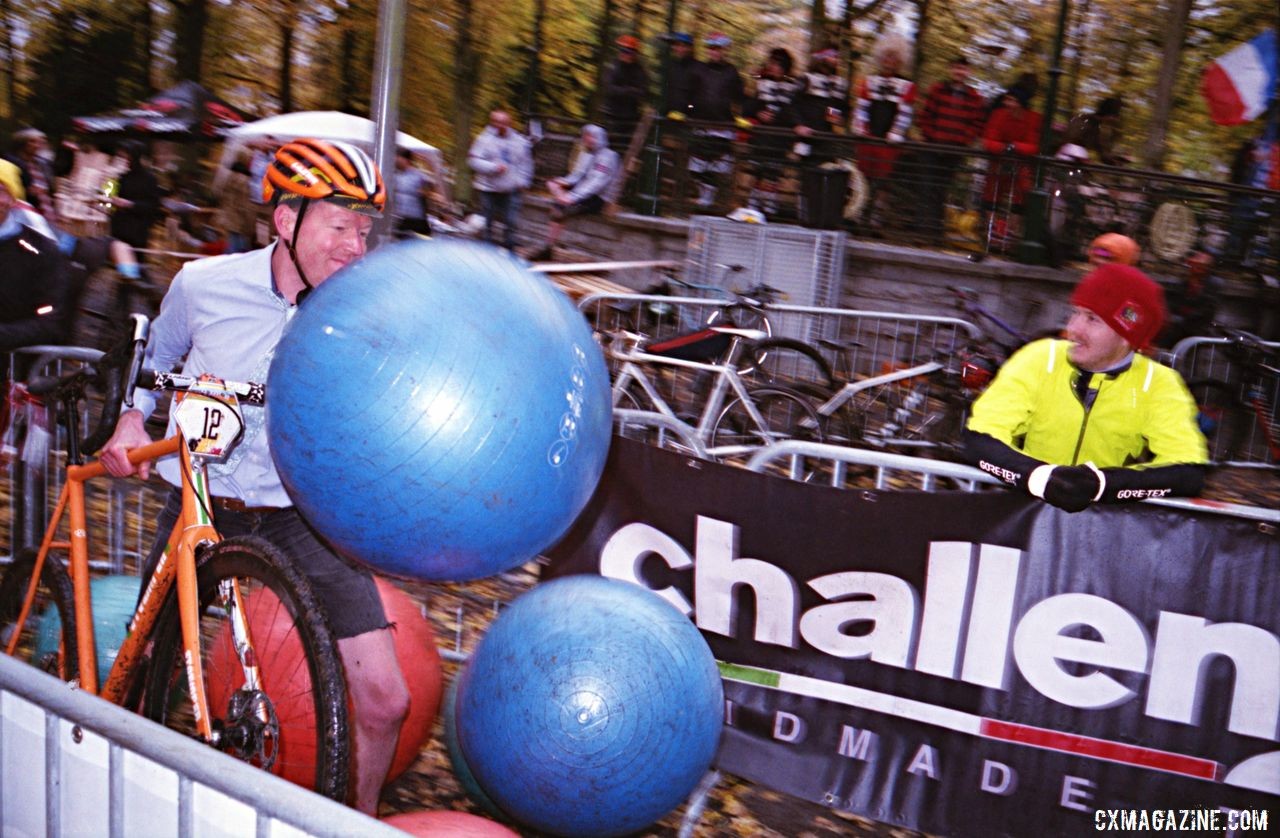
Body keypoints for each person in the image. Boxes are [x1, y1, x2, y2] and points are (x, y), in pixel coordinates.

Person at [98, 138, 410, 815]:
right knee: (140, 669)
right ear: (286, 221)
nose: (356, 245)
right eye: (339, 225)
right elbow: (153, 361)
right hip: (203, 500)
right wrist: (131, 421)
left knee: (387, 699)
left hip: (302, 515)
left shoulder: (362, 313)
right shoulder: (205, 285)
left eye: (365, 229)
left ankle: (353, 827)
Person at [962, 264, 1207, 512]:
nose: (1073, 329)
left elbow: (1188, 471)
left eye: (1092, 319)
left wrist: (1102, 484)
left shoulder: (1158, 383)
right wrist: (1040, 477)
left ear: (1126, 336)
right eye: (1075, 313)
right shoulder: (1039, 358)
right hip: (1027, 516)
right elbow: (979, 438)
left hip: (1102, 527)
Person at [913, 55, 987, 240]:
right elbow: (925, 116)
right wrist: (932, 136)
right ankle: (922, 229)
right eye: (956, 68)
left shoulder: (974, 98)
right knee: (927, 187)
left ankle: (936, 231)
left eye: (963, 69)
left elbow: (977, 124)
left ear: (968, 72)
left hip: (955, 150)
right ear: (951, 70)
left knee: (942, 189)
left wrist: (963, 140)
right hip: (933, 147)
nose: (959, 72)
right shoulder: (938, 90)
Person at [0, 160, 69, 352]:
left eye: (0, 190)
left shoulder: (40, 251)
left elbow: (49, 321)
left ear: (13, 200)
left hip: (13, 364)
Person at [528, 124, 619, 262]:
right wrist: (563, 182)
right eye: (585, 136)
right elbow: (577, 175)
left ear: (598, 138)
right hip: (582, 192)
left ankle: (548, 247)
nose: (585, 139)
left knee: (558, 210)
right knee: (554, 189)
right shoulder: (586, 154)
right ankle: (549, 245)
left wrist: (573, 197)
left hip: (598, 197)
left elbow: (597, 183)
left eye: (589, 137)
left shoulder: (608, 156)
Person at [980, 84, 1042, 250]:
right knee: (992, 195)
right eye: (1007, 100)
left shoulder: (1033, 118)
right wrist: (1006, 148)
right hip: (1000, 162)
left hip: (1020, 165)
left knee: (1020, 196)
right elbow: (989, 140)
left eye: (1012, 101)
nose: (1007, 104)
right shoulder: (998, 115)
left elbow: (1034, 145)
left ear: (1020, 103)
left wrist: (1013, 147)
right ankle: (991, 236)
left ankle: (1010, 238)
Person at [689, 32, 746, 208]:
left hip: (723, 125)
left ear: (724, 50)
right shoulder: (699, 69)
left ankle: (708, 199)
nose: (714, 52)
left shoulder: (731, 72)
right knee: (696, 166)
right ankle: (705, 194)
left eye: (718, 49)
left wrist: (740, 117)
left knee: (715, 164)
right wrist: (688, 111)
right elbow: (691, 93)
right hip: (701, 123)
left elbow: (740, 97)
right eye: (711, 48)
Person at [744, 47, 802, 217]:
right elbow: (747, 105)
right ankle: (753, 206)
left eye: (778, 65)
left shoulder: (793, 87)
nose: (773, 67)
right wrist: (758, 112)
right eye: (772, 63)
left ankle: (769, 207)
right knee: (756, 171)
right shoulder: (760, 83)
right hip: (760, 137)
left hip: (779, 139)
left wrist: (788, 121)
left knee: (773, 174)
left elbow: (793, 111)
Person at [467, 110, 533, 250]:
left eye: (502, 122)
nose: (499, 125)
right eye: (496, 121)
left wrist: (524, 181)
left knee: (511, 221)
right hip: (488, 187)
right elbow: (473, 161)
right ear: (491, 122)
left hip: (511, 188)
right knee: (487, 220)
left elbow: (526, 163)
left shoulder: (520, 142)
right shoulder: (483, 139)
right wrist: (493, 167)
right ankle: (486, 249)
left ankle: (509, 249)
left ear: (509, 123)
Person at [108, 141, 164, 256]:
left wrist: (130, 204)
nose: (123, 160)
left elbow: (153, 206)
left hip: (136, 232)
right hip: (118, 229)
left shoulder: (149, 179)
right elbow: (109, 194)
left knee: (131, 266)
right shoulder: (121, 176)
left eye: (126, 156)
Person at [602, 34, 650, 146]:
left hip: (630, 118)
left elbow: (642, 92)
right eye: (622, 50)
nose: (624, 54)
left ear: (635, 53)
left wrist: (622, 91)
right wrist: (629, 90)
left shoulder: (639, 71)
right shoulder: (613, 66)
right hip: (612, 115)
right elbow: (609, 89)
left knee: (626, 147)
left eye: (628, 51)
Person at [7, 128, 59, 227]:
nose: (37, 145)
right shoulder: (12, 162)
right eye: (32, 142)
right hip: (26, 213)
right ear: (22, 143)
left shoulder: (43, 164)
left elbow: (51, 188)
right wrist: (28, 191)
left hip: (48, 212)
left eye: (40, 142)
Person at [391, 148, 434, 238]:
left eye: (398, 158)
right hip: (400, 217)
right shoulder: (395, 174)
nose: (395, 160)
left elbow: (429, 188)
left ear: (406, 160)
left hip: (415, 219)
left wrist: (424, 192)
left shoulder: (417, 175)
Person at [662, 32, 701, 118]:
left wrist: (690, 108)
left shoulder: (698, 67)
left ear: (690, 48)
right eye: (677, 45)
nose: (679, 49)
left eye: (683, 46)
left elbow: (700, 96)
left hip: (691, 118)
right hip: (670, 116)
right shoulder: (671, 66)